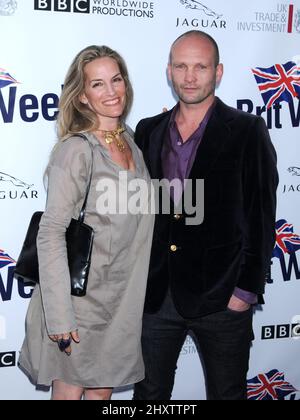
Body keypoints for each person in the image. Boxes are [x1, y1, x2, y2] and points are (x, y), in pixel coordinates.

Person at [133, 30, 278, 400]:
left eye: (201, 66)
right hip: (158, 295)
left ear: (219, 72)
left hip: (223, 296)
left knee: (227, 394)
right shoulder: (148, 130)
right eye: (181, 66)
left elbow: (261, 214)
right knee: (149, 395)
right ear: (169, 71)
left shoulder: (247, 130)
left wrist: (245, 291)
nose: (190, 76)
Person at [18, 45, 154, 400]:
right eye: (98, 85)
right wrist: (60, 317)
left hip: (120, 301)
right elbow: (50, 234)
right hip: (79, 305)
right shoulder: (77, 150)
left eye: (116, 79)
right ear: (81, 97)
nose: (111, 92)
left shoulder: (132, 144)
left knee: (102, 395)